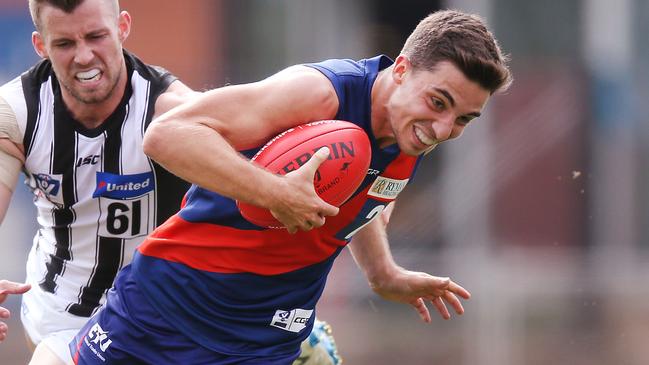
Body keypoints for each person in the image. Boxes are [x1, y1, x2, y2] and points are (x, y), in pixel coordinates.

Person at [70, 8, 512, 365]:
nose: (442, 128)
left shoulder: (409, 133)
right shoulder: (319, 96)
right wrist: (275, 194)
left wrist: (383, 274)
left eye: (463, 120)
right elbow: (166, 135)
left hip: (264, 342)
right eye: (439, 103)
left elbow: (365, 200)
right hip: (164, 313)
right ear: (401, 69)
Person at [0, 1, 346, 364]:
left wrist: (367, 232)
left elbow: (310, 160)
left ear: (122, 27)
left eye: (96, 36)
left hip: (166, 315)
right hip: (63, 315)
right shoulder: (16, 112)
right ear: (41, 45)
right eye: (65, 44)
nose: (84, 56)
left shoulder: (175, 111)